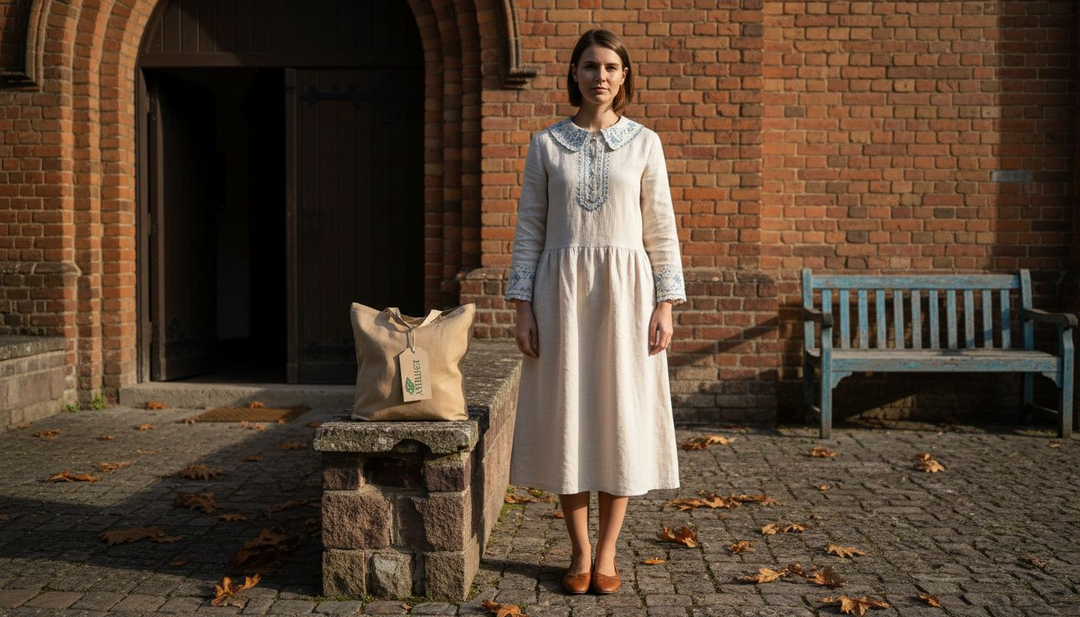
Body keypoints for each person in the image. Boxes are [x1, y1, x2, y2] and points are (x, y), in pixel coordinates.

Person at [503, 29, 687, 595]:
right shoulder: (546, 144)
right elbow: (530, 229)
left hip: (627, 298)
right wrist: (522, 308)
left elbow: (661, 228)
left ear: (624, 76)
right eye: (589, 66)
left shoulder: (645, 143)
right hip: (560, 298)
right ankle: (579, 552)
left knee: (619, 415)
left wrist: (665, 304)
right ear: (575, 75)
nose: (599, 76)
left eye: (610, 67)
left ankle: (607, 553)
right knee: (568, 415)